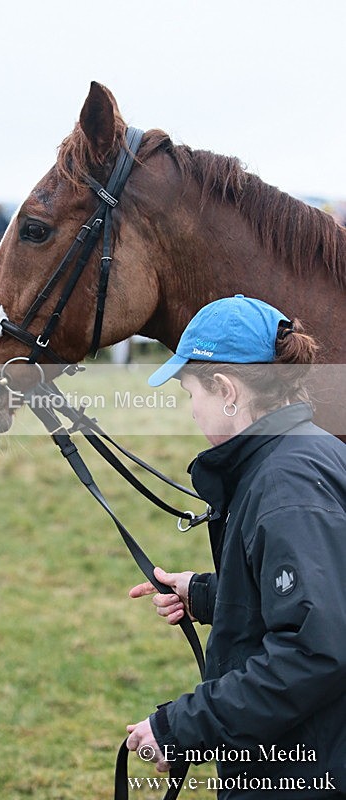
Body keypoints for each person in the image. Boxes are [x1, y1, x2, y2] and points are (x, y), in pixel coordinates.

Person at [126, 295, 346, 798]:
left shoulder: (286, 486)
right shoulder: (311, 451)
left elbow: (314, 651)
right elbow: (327, 593)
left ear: (226, 390)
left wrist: (180, 728)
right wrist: (209, 596)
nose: (191, 410)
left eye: (191, 393)